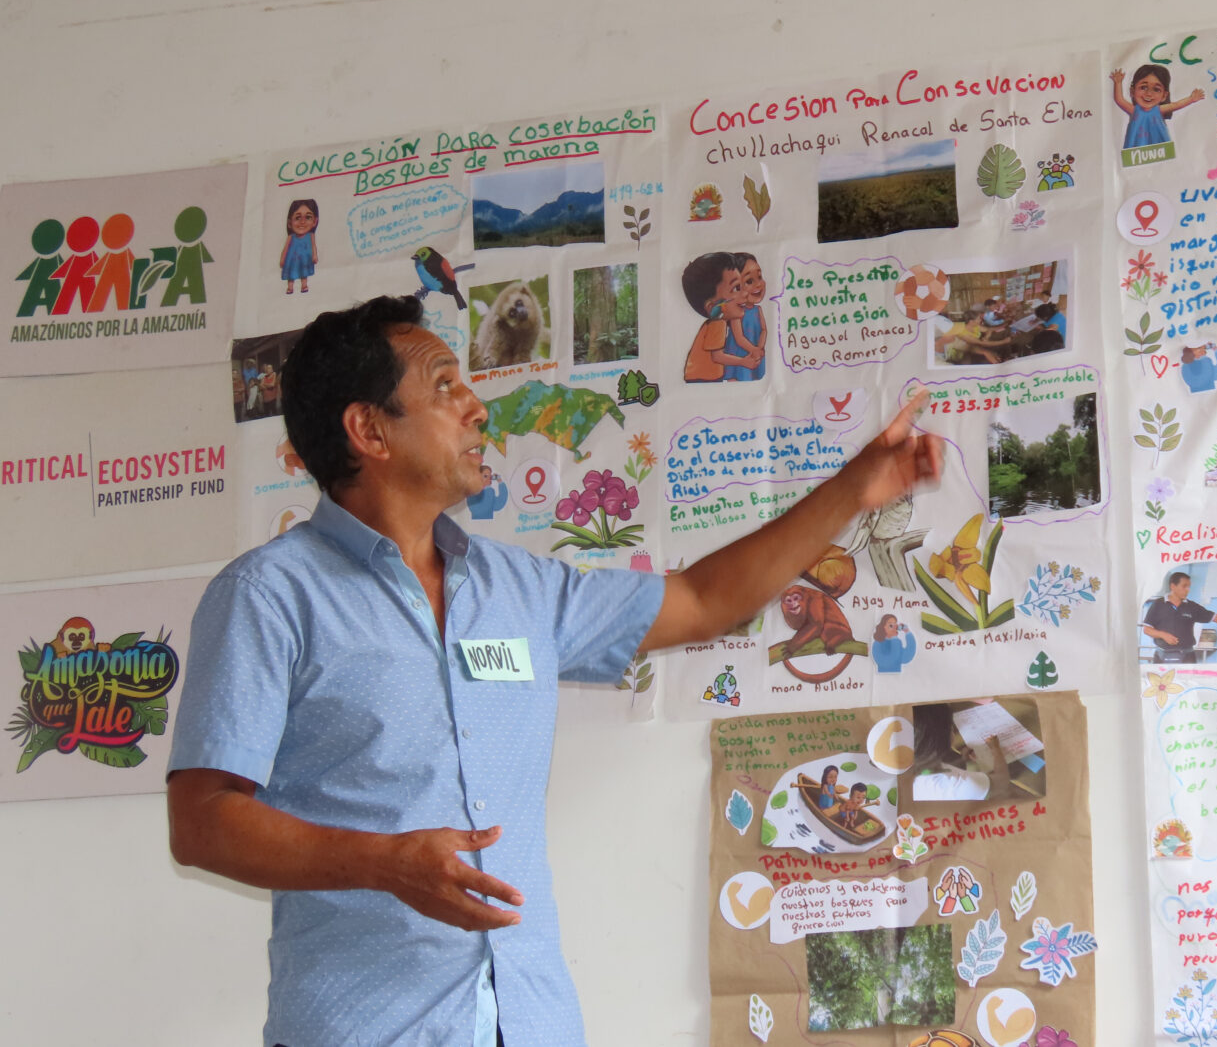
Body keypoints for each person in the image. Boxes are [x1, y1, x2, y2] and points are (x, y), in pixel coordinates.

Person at [166, 294, 942, 1047]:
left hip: (530, 1021)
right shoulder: (268, 596)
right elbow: (201, 821)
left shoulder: (521, 591)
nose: (477, 408)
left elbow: (705, 600)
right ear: (369, 429)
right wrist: (383, 863)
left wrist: (856, 487)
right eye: (444, 387)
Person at [1141, 571, 1217, 663]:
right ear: (1173, 586)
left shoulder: (1192, 607)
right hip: (1163, 655)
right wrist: (1163, 635)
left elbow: (1215, 617)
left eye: (1189, 586)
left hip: (1187, 655)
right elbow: (1147, 629)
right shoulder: (1158, 604)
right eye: (1184, 586)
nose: (1188, 590)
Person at [681, 251, 762, 382]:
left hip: (708, 377)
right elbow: (717, 357)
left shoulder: (723, 322)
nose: (745, 293)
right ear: (712, 307)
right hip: (702, 378)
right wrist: (743, 362)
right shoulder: (717, 324)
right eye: (736, 288)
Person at [909, 703, 1011, 802]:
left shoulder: (911, 766)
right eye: (950, 727)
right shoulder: (962, 785)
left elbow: (942, 770)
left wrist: (966, 761)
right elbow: (1002, 782)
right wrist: (996, 749)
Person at [1110, 64, 1205, 150]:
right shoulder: (1134, 110)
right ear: (1132, 91)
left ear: (1164, 96)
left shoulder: (1159, 110)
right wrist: (1118, 83)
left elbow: (1176, 105)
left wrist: (1191, 99)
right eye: (1143, 87)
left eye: (1156, 89)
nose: (1149, 93)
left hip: (1160, 149)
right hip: (1136, 150)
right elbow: (1119, 100)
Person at [722, 253, 767, 382]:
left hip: (755, 354)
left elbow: (764, 330)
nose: (758, 284)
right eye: (749, 281)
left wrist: (760, 347)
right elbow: (739, 337)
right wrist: (753, 350)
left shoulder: (758, 310)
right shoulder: (736, 312)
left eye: (759, 277)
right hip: (739, 355)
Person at [279, 199, 318, 295]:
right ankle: (290, 287)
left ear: (315, 221)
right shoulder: (291, 237)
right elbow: (285, 248)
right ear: (289, 223)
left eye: (308, 217)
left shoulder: (311, 235)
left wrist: (315, 255)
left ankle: (304, 285)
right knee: (291, 274)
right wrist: (282, 259)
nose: (302, 222)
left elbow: (313, 246)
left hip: (305, 259)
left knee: (304, 273)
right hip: (292, 260)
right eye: (297, 218)